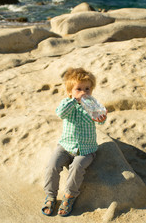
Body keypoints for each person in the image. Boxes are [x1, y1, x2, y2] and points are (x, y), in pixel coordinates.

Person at [41, 67, 107, 217]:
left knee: (77, 167)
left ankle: (70, 196)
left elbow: (100, 119)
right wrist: (74, 101)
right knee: (52, 165)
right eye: (79, 89)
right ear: (70, 92)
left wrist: (102, 118)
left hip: (86, 149)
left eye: (87, 89)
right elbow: (60, 113)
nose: (84, 92)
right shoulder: (67, 103)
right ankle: (50, 195)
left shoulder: (92, 105)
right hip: (65, 146)